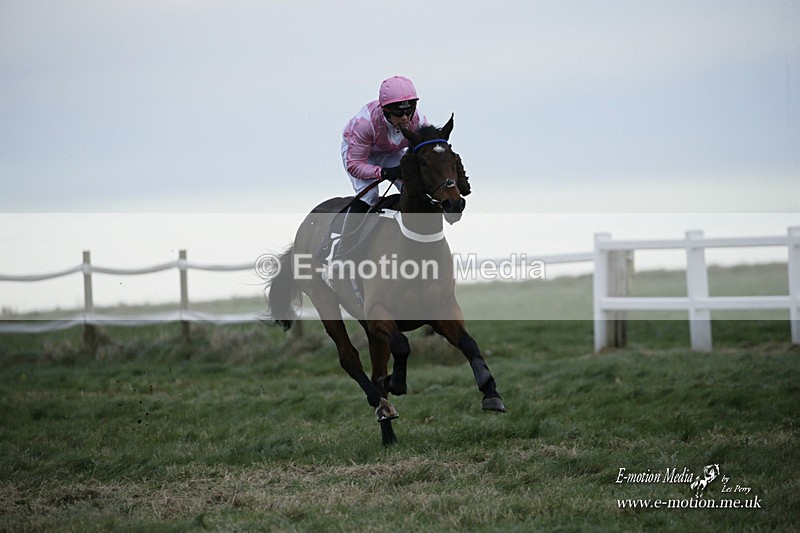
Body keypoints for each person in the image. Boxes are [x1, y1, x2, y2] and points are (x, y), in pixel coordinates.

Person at [330, 76, 427, 268]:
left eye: (409, 111)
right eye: (399, 114)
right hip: (359, 154)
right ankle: (342, 251)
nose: (405, 118)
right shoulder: (364, 124)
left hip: (391, 151)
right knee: (369, 196)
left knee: (414, 189)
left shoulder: (418, 121)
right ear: (386, 111)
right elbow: (355, 165)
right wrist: (383, 172)